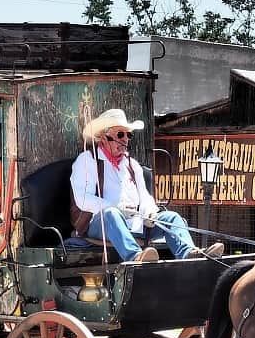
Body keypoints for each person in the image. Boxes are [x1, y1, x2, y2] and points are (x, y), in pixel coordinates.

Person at [69, 109, 223, 262]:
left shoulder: (132, 165)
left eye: (128, 135)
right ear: (104, 136)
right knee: (111, 214)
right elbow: (82, 199)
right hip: (100, 225)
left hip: (135, 223)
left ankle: (189, 254)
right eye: (120, 134)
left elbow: (144, 197)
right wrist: (116, 209)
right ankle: (135, 256)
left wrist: (150, 213)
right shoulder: (87, 160)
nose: (125, 139)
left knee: (171, 217)